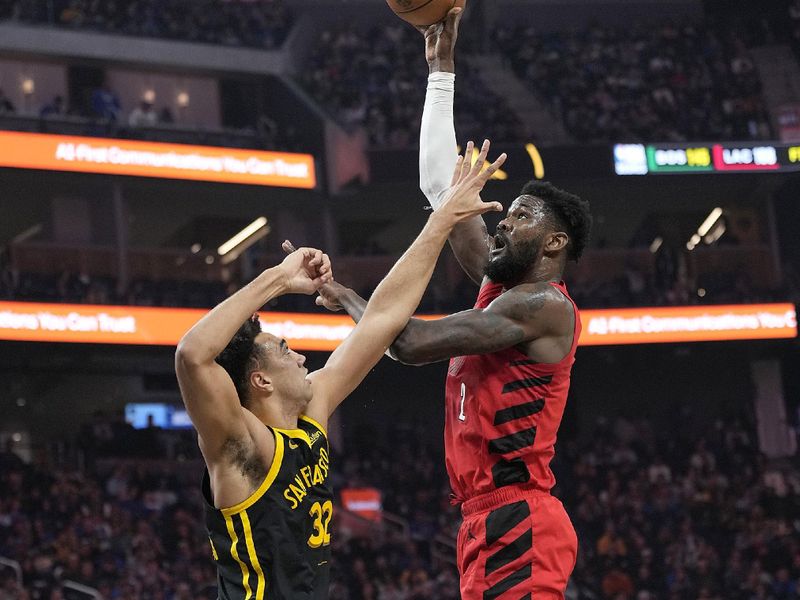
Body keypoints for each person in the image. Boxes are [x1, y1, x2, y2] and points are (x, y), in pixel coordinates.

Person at [315, 8, 592, 599]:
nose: (501, 218)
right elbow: (440, 191)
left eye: (519, 217)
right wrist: (441, 73)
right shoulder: (503, 287)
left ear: (555, 242)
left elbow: (410, 342)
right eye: (505, 209)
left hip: (517, 516)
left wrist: (349, 298)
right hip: (484, 518)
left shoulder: (543, 305)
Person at [175, 143, 506, 599]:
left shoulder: (313, 411)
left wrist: (442, 218)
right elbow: (192, 355)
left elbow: (384, 317)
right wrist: (279, 279)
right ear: (260, 380)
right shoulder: (241, 444)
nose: (302, 359)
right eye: (285, 349)